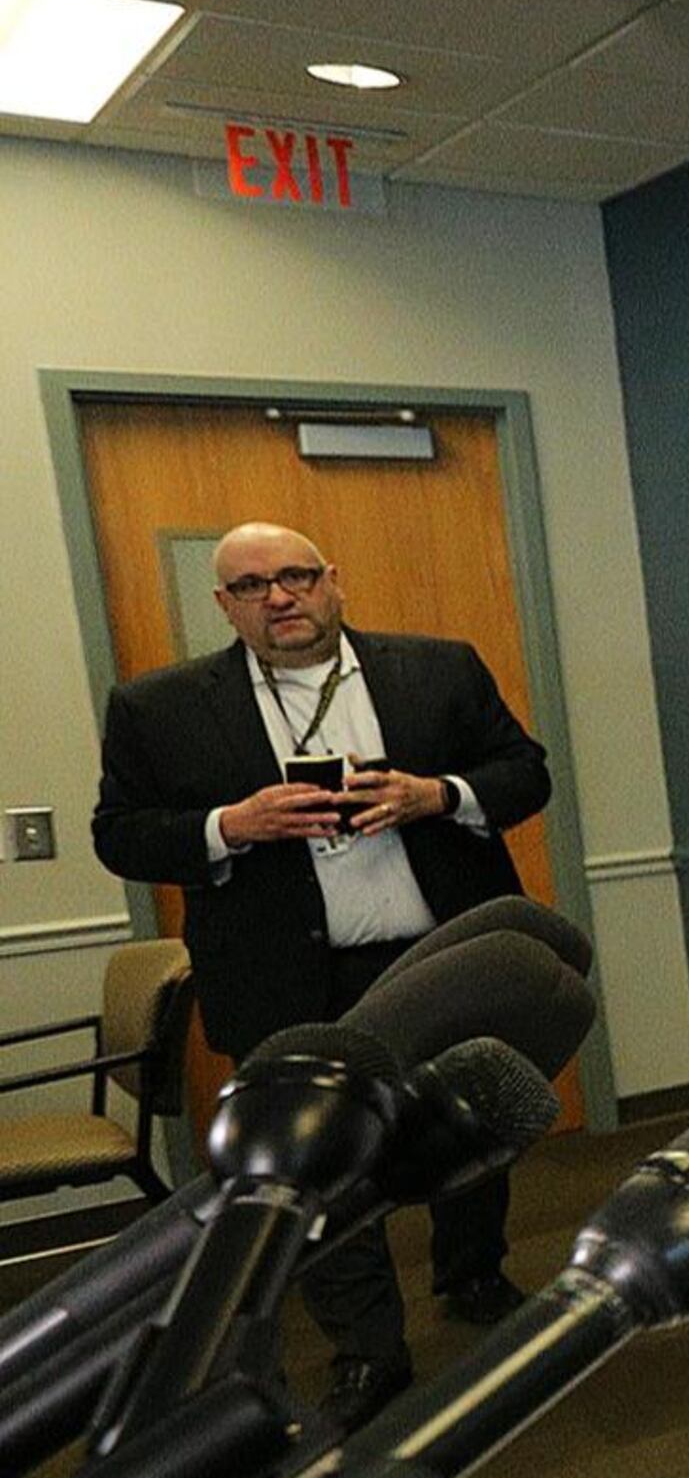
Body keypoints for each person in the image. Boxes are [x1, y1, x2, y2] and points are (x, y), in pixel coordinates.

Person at [91, 522, 553, 1425]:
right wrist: (231, 825)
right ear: (224, 605)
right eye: (253, 585)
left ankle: (474, 1275)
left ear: (333, 582)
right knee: (320, 1169)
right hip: (282, 983)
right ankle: (369, 1350)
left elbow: (524, 774)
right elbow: (121, 833)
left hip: (438, 957)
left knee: (463, 1122)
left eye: (297, 576)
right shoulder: (159, 707)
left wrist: (439, 796)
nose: (281, 596)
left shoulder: (439, 670)